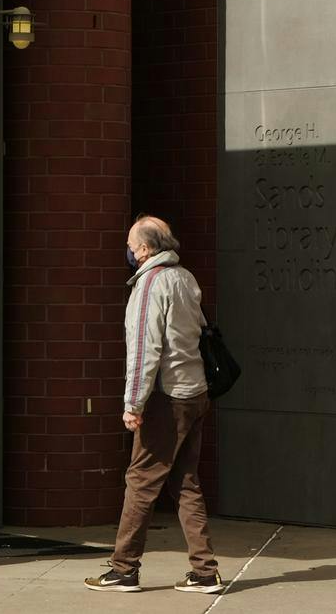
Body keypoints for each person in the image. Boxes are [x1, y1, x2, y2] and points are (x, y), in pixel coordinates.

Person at [85, 216, 223, 595]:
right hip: (195, 393)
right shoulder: (185, 278)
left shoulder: (150, 284)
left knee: (140, 482)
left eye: (132, 245)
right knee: (186, 482)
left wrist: (133, 403)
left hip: (167, 398)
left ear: (145, 249)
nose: (128, 252)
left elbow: (145, 350)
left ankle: (123, 568)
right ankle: (204, 571)